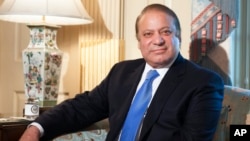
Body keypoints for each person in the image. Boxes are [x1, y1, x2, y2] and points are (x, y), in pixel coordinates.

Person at [20, 3, 224, 141]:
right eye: (148, 34)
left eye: (166, 32)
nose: (158, 40)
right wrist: (36, 127)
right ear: (139, 42)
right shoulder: (123, 72)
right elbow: (82, 107)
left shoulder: (203, 82)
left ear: (178, 36)